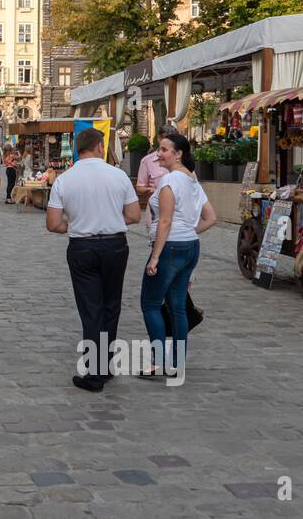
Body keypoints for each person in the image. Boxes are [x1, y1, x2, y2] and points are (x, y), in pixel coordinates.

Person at [46, 127, 142, 393]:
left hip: (82, 247)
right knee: (111, 306)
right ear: (100, 147)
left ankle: (94, 372)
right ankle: (105, 365)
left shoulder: (65, 180)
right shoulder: (118, 175)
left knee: (91, 309)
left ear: (78, 149)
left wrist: (77, 224)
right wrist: (109, 221)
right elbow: (134, 215)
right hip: (115, 246)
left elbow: (53, 224)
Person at [141, 133, 217, 379]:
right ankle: (177, 363)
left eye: (163, 149)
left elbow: (164, 221)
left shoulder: (170, 181)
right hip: (190, 247)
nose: (158, 153)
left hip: (169, 248)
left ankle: (159, 361)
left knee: (150, 304)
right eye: (158, 149)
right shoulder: (193, 181)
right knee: (177, 308)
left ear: (178, 153)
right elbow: (211, 218)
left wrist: (155, 257)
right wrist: (188, 232)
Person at [136, 126, 177, 227]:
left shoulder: (182, 160)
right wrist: (152, 190)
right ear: (159, 139)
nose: (169, 143)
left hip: (178, 218)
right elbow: (139, 188)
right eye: (166, 139)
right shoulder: (147, 161)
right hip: (156, 217)